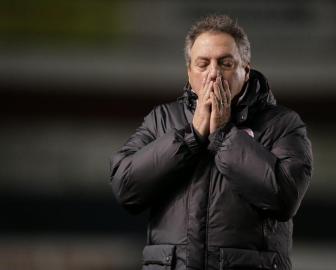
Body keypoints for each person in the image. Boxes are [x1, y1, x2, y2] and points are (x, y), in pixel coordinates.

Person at [110, 14, 313, 270]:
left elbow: (285, 197)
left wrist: (224, 135)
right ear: (189, 72)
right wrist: (191, 137)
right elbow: (125, 188)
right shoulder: (161, 120)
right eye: (203, 64)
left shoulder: (282, 124)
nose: (213, 74)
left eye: (225, 63)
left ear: (246, 71)